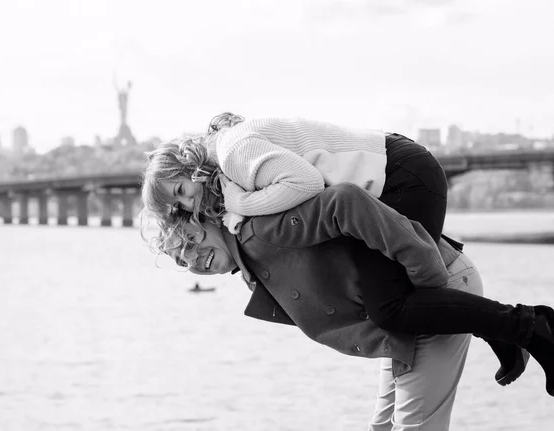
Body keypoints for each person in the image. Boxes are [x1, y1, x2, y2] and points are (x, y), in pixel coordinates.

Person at [140, 113, 532, 386]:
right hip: (377, 187)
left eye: (180, 192)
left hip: (400, 176)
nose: (188, 206)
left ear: (188, 162)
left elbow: (307, 184)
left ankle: (526, 326)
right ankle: (506, 335)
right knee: (393, 304)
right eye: (179, 207)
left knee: (392, 307)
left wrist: (239, 209)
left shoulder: (233, 153)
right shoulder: (230, 177)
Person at [153, 184, 554, 428]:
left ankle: (524, 326)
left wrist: (428, 280)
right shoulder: (252, 263)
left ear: (204, 217)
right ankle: (509, 329)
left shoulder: (261, 228)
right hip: (401, 324)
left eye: (188, 241)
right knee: (383, 426)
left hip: (432, 288)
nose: (191, 260)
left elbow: (346, 201)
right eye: (180, 260)